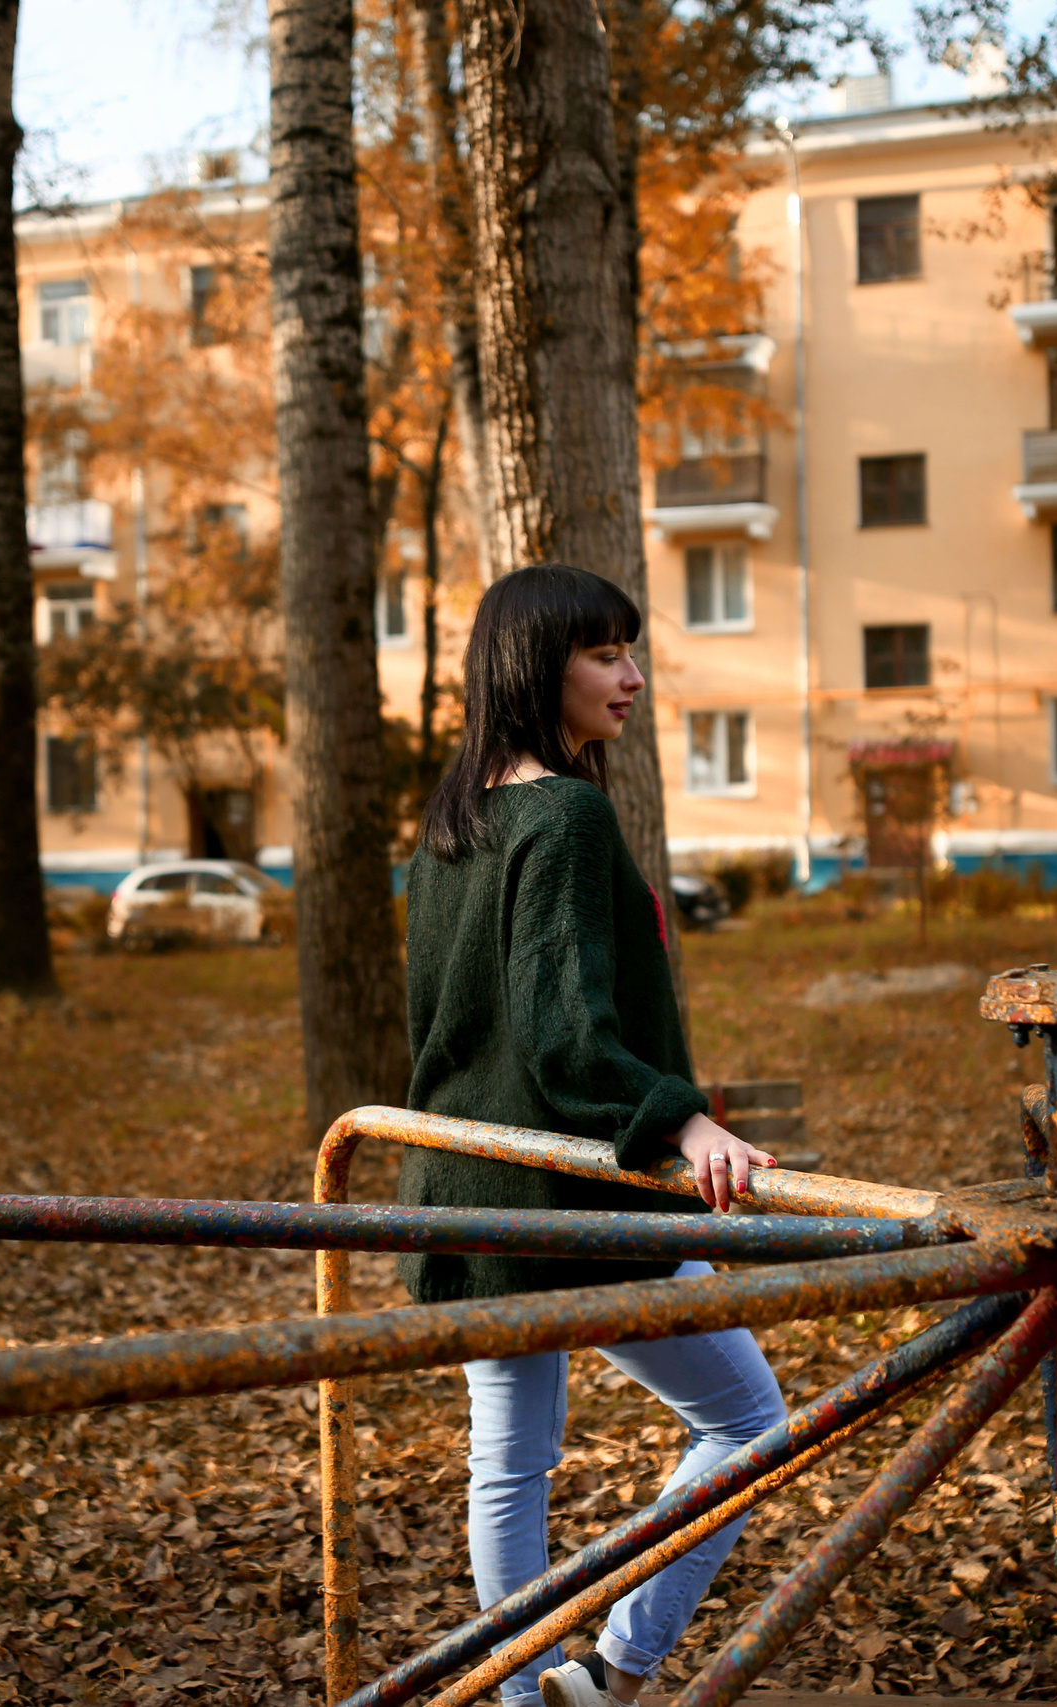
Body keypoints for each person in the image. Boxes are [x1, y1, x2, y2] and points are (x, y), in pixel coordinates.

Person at [401, 564, 788, 1707]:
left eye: (630, 651)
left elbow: (451, 1026)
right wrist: (683, 1114)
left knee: (508, 1464)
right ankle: (621, 1665)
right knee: (751, 1422)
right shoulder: (564, 815)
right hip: (567, 1194)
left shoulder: (451, 819)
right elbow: (566, 1036)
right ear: (538, 667)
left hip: (464, 1187)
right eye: (605, 654)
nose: (630, 677)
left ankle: (527, 1699)